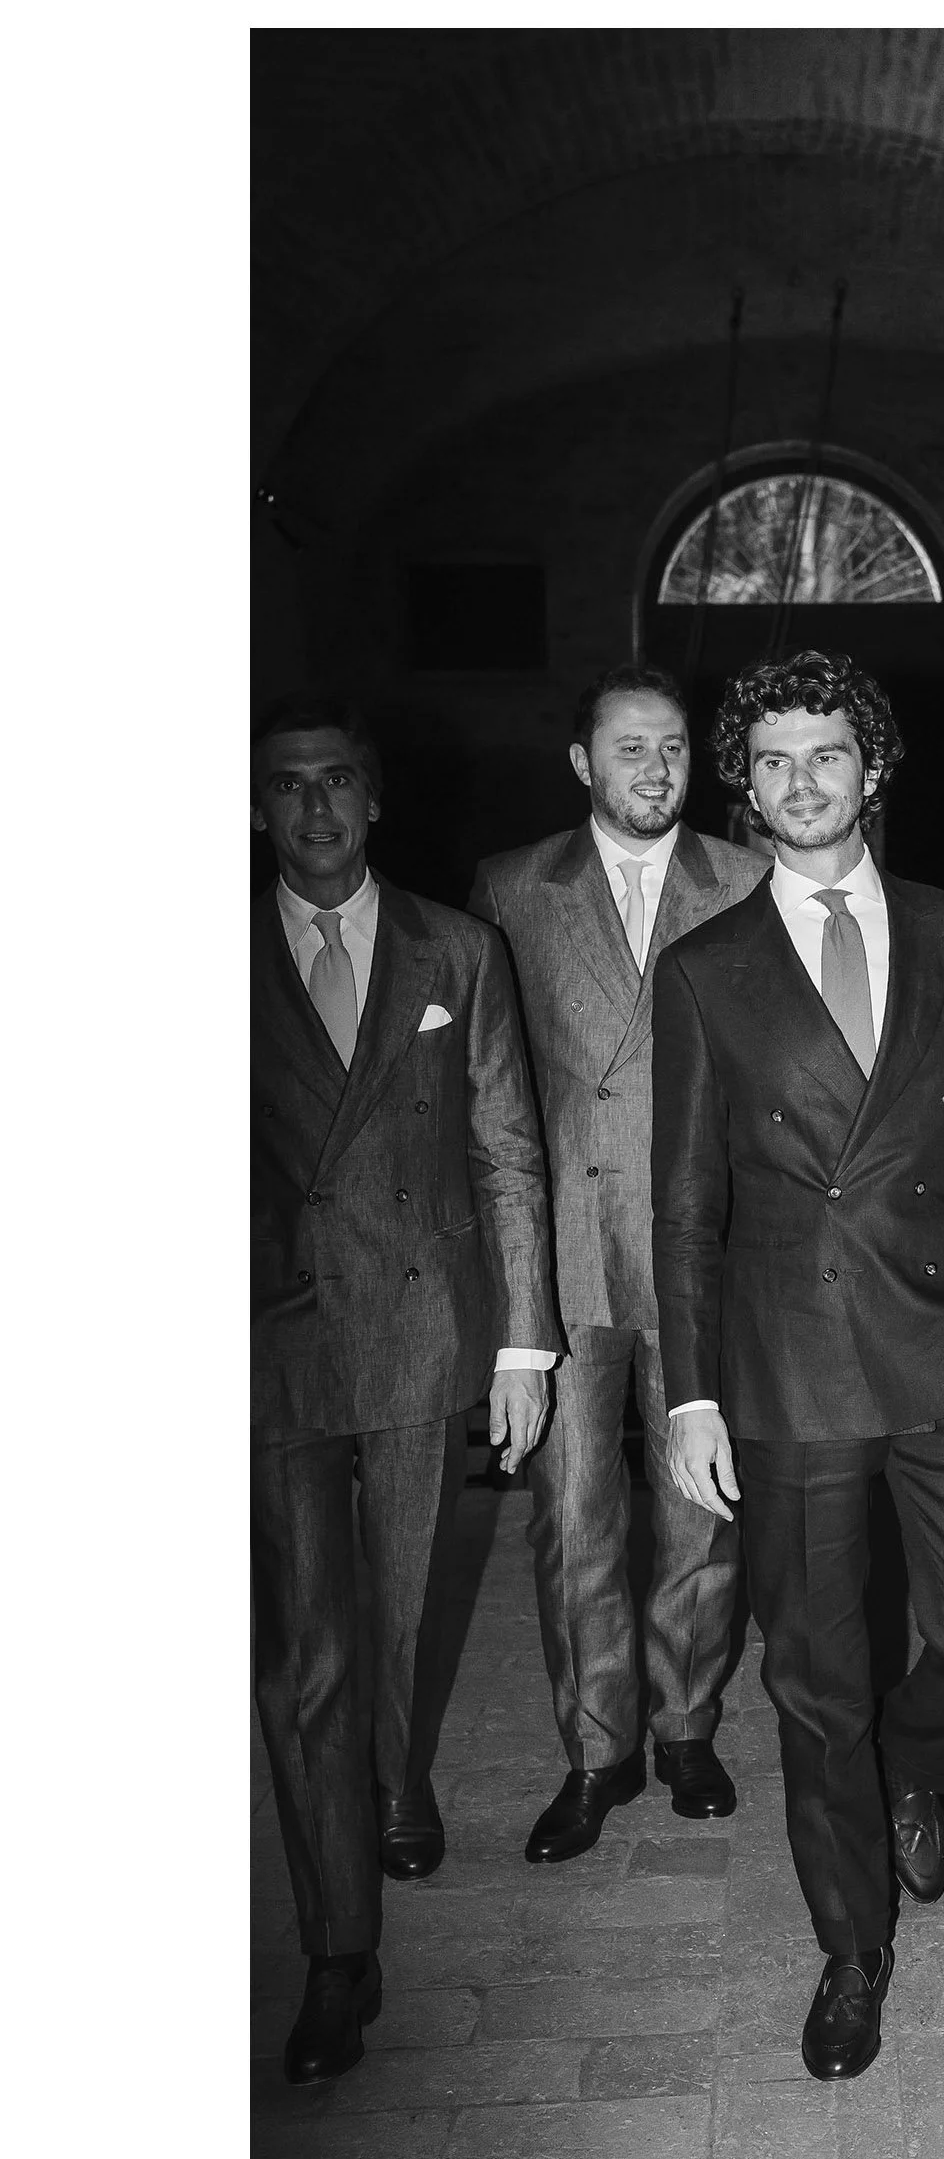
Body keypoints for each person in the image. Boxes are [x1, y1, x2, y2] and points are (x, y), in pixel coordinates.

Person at [654, 652, 944, 2080]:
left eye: (828, 753)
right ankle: (850, 1946)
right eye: (772, 762)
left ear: (873, 770)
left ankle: (917, 1762)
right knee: (815, 1676)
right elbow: (685, 1199)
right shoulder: (703, 972)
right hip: (787, 1360)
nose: (802, 781)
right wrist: (692, 1390)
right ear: (744, 789)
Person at [251, 691, 557, 2083]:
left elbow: (507, 1150)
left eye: (336, 783)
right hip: (269, 1342)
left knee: (401, 1599)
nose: (314, 808)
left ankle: (391, 1776)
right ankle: (337, 1951)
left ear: (373, 802)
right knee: (307, 1651)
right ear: (261, 809)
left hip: (427, 1331)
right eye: (288, 787)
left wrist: (521, 1346)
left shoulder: (457, 947)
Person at [469, 668, 768, 1863]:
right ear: (583, 764)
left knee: (702, 1508)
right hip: (573, 1257)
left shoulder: (744, 881)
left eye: (675, 747)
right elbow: (492, 1093)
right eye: (629, 748)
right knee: (573, 1512)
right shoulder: (511, 888)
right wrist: (512, 1305)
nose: (655, 767)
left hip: (709, 1250)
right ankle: (598, 1750)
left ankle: (687, 1723)